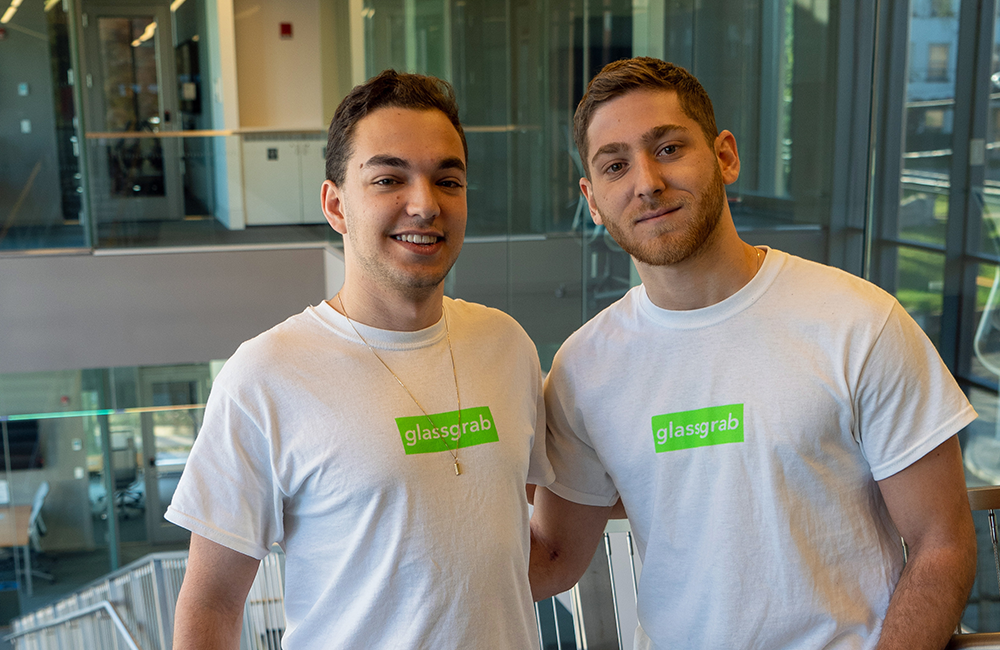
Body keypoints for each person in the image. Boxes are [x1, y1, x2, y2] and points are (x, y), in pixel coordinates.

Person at [529, 57, 978, 650]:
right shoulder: (585, 367)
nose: (646, 182)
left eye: (667, 149)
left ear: (725, 157)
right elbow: (554, 555)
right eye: (615, 165)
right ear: (592, 198)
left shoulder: (857, 322)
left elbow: (942, 544)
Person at [167, 70, 553, 649]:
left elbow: (504, 543)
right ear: (336, 203)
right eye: (389, 179)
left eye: (448, 180)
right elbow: (212, 605)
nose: (424, 205)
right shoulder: (267, 374)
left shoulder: (507, 344)